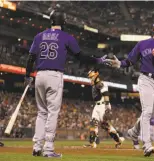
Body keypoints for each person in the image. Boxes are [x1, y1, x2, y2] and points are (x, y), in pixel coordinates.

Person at [24, 5, 107, 158]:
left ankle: (37, 147)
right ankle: (48, 149)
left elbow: (30, 58)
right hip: (54, 76)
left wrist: (28, 75)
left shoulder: (39, 36)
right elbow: (81, 57)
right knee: (52, 113)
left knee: (41, 113)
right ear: (63, 22)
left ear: (51, 21)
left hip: (39, 75)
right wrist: (98, 60)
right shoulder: (66, 37)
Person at [106, 17, 154, 157]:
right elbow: (129, 61)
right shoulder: (142, 44)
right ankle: (146, 145)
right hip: (146, 79)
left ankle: (133, 132)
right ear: (153, 28)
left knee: (150, 113)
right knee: (147, 112)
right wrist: (119, 64)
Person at [83, 69, 124, 149]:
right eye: (90, 77)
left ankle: (118, 140)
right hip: (97, 106)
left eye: (92, 77)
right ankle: (92, 143)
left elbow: (105, 93)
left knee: (105, 126)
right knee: (93, 123)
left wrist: (107, 106)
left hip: (103, 105)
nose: (91, 79)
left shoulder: (100, 83)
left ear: (96, 75)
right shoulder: (95, 85)